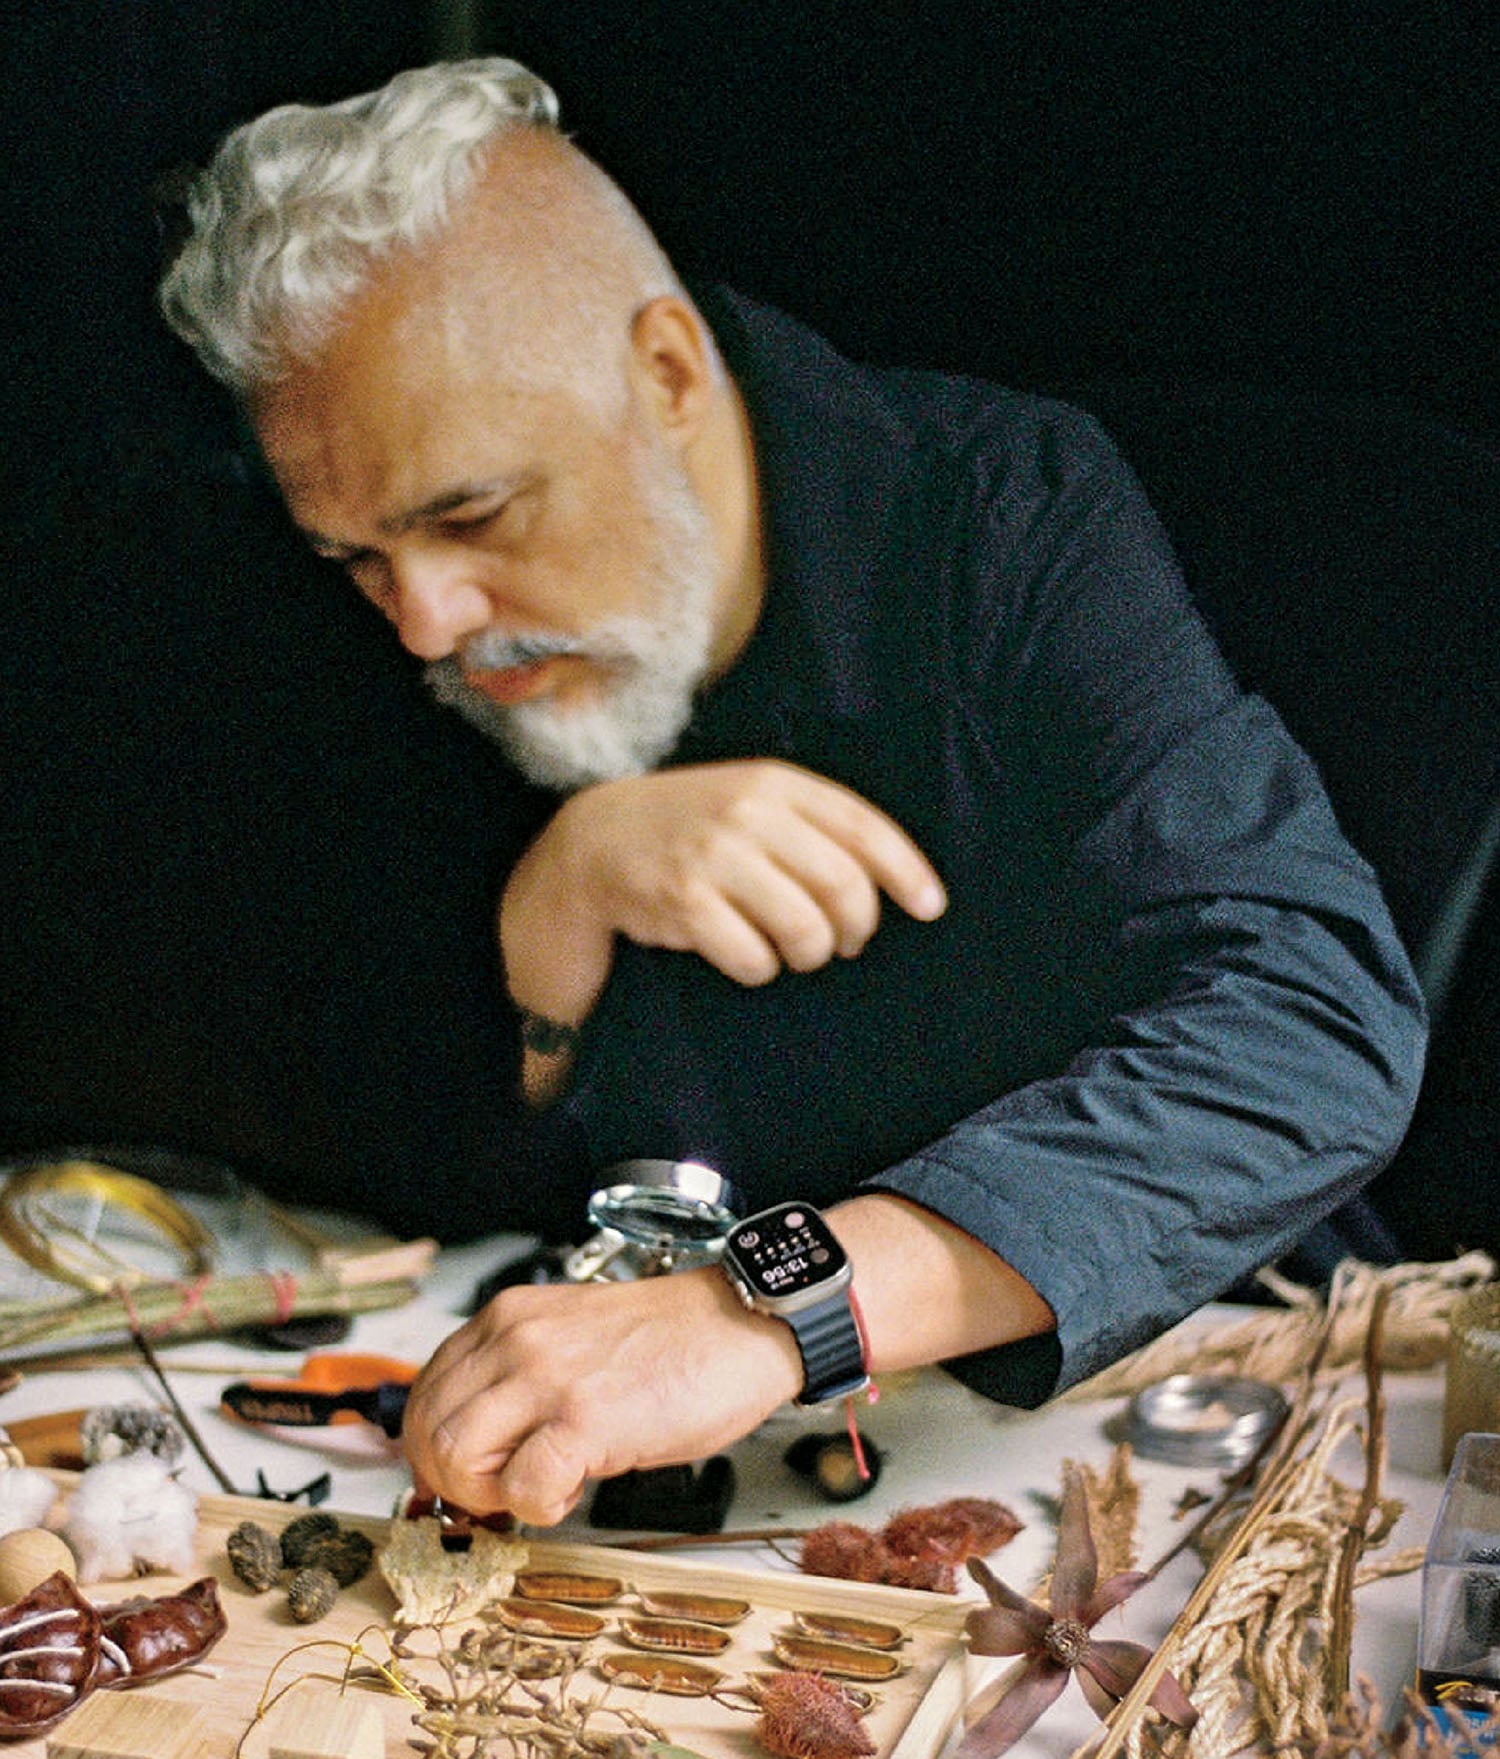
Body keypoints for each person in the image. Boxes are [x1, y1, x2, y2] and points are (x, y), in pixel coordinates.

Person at [159, 57, 1426, 1526]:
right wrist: (548, 918)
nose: (426, 621)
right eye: (362, 558)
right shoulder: (427, 628)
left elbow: (1313, 1019)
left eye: (472, 514)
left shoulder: (1004, 517)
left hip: (1193, 1423)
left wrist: (769, 1308)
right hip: (719, 1500)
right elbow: (396, 1156)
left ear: (669, 372)